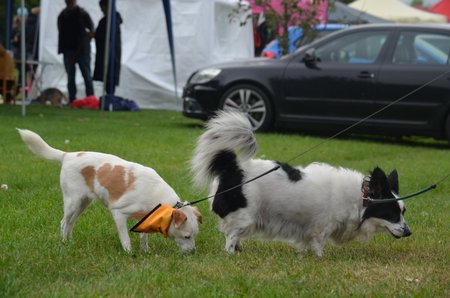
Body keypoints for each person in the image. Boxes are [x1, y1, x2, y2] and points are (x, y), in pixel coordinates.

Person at [57, 0, 94, 102]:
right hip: (68, 50)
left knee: (87, 76)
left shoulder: (83, 14)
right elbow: (61, 33)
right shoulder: (62, 16)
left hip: (82, 50)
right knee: (70, 77)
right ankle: (72, 99)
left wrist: (85, 40)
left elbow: (91, 30)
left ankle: (90, 98)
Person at [93, 0, 123, 96]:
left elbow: (108, 36)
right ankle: (109, 95)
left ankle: (110, 96)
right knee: (107, 77)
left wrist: (96, 35)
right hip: (105, 52)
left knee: (110, 76)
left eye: (102, 7)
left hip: (111, 53)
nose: (101, 10)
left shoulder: (113, 20)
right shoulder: (107, 20)